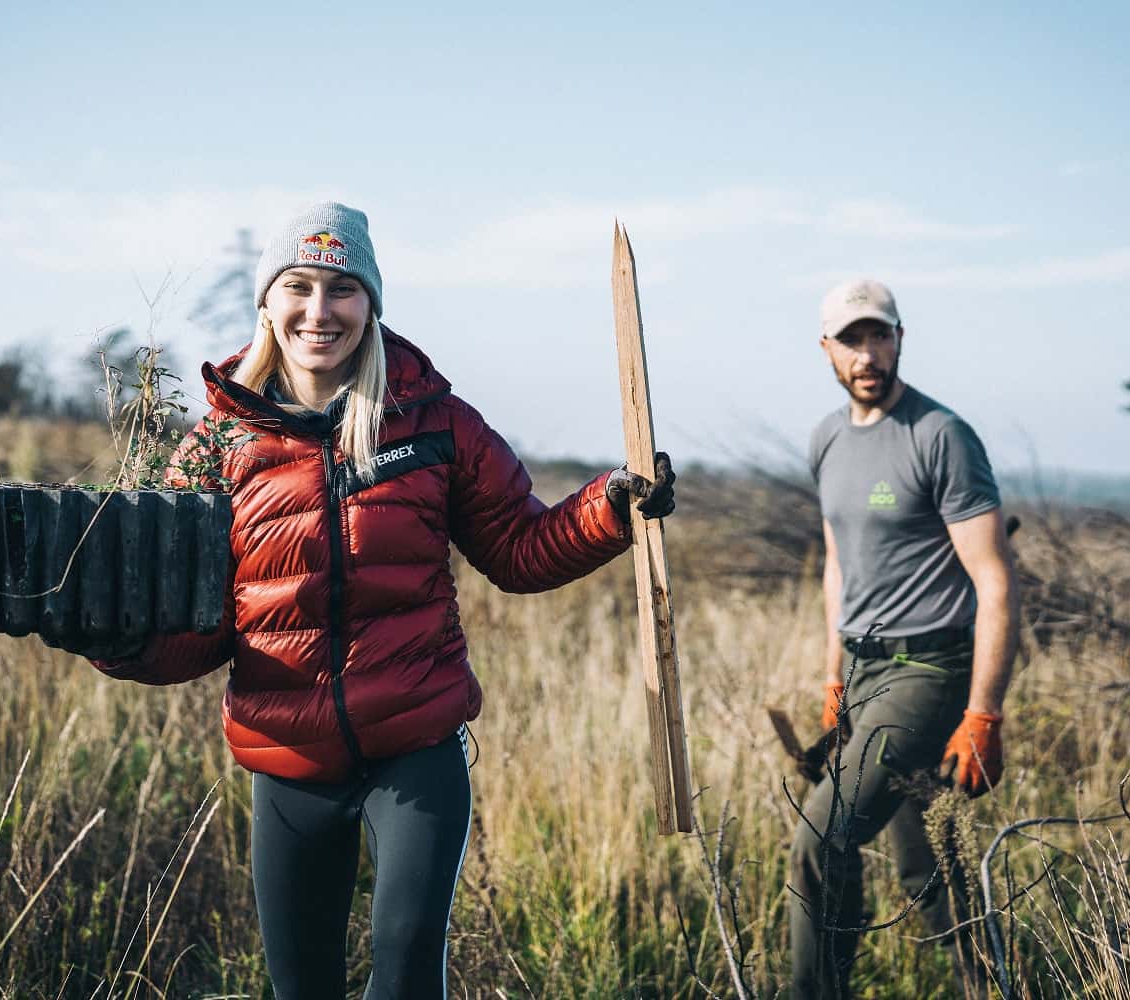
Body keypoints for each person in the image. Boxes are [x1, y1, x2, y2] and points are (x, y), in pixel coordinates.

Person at [45, 201, 675, 999]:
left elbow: (519, 554)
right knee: (302, 988)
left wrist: (611, 509)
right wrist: (119, 639)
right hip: (288, 762)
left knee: (408, 967)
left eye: (342, 288)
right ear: (268, 303)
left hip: (415, 750)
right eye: (299, 286)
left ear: (371, 303)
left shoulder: (437, 425)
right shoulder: (217, 448)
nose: (320, 310)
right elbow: (197, 635)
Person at [787, 279, 1019, 998]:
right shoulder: (826, 438)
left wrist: (983, 712)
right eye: (850, 340)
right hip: (863, 670)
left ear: (899, 339)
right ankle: (987, 986)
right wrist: (833, 680)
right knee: (929, 865)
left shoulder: (939, 435)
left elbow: (996, 581)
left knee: (820, 837)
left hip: (929, 668)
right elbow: (837, 569)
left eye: (878, 336)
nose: (866, 354)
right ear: (825, 349)